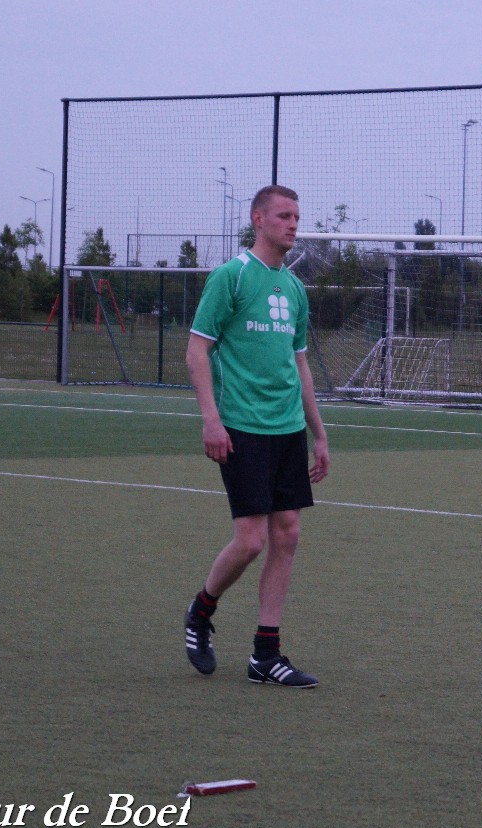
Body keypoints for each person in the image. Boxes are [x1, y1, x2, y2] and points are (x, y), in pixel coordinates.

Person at [184, 184, 330, 688]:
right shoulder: (232, 276)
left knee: (287, 533)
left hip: (288, 428)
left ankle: (265, 656)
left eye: (297, 216)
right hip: (242, 426)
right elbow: (197, 351)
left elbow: (300, 364)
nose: (293, 224)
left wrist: (319, 433)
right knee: (250, 541)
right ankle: (201, 611)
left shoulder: (294, 289)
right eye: (284, 215)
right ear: (258, 219)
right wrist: (211, 419)